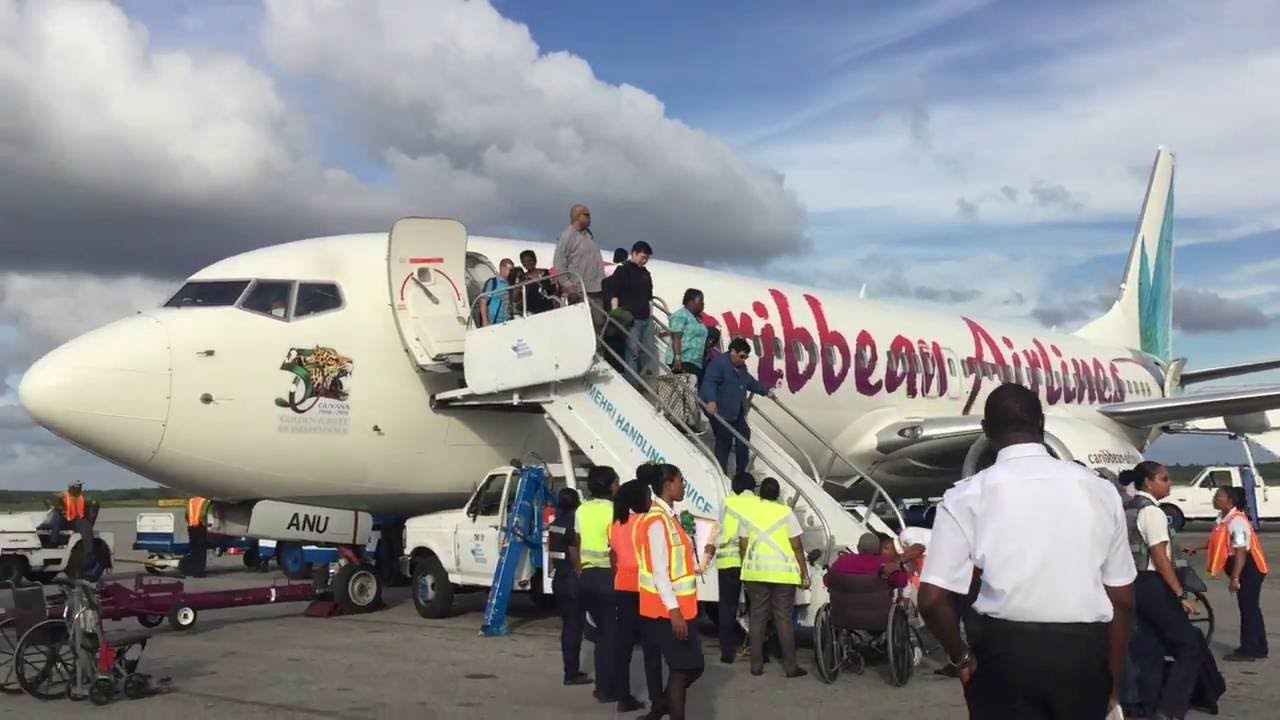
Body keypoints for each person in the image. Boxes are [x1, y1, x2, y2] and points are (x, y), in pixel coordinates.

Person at [918, 384, 1137, 720]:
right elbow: (1122, 599)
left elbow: (932, 599)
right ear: (1042, 423)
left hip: (1005, 656)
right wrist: (1112, 681)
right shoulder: (1101, 492)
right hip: (1082, 657)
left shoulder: (965, 496)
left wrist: (961, 657)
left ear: (986, 431)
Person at [1125, 460, 1203, 720]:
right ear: (1149, 482)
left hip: (1132, 583)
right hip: (1152, 583)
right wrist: (1180, 594)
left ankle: (1148, 707)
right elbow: (1160, 556)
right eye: (1165, 478)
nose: (1169, 483)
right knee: (1189, 646)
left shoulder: (1127, 510)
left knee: (1150, 649)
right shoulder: (1152, 513)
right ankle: (1170, 709)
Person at [637, 463, 703, 720]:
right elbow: (659, 571)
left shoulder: (670, 519)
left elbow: (680, 564)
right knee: (684, 669)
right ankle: (665, 709)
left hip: (681, 609)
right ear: (667, 485)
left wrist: (705, 555)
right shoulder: (656, 521)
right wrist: (674, 611)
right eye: (681, 481)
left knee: (689, 667)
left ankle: (661, 708)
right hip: (666, 612)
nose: (683, 486)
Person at [739, 477, 809, 678]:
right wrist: (804, 571)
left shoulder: (748, 513)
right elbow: (796, 545)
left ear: (760, 493)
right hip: (783, 575)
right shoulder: (786, 513)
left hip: (756, 573)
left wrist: (746, 566)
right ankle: (790, 666)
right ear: (777, 494)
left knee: (757, 618)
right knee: (783, 619)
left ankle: (756, 665)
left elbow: (743, 544)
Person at [610, 473, 661, 713]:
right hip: (645, 587)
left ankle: (623, 696)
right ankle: (657, 699)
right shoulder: (644, 522)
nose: (651, 500)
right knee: (652, 646)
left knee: (623, 645)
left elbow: (615, 556)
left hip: (623, 586)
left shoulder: (615, 525)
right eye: (648, 496)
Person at [1204, 486, 1269, 660]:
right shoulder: (1224, 519)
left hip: (1249, 567)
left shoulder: (1237, 521)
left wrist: (1235, 577)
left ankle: (1249, 650)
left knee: (1248, 608)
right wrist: (1197, 547)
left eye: (1219, 496)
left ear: (1230, 501)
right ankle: (1260, 647)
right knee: (1251, 607)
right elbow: (1221, 540)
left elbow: (1241, 550)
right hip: (1242, 566)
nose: (1215, 499)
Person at [575, 466, 621, 704]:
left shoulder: (582, 509)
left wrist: (580, 570)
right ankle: (609, 689)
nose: (618, 486)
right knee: (611, 636)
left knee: (600, 635)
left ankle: (602, 685)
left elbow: (577, 540)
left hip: (587, 577)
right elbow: (616, 548)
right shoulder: (614, 511)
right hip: (607, 577)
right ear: (609, 485)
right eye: (616, 482)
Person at [700, 337, 775, 474]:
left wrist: (765, 391)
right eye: (741, 356)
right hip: (721, 411)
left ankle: (742, 473)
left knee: (744, 435)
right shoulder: (719, 364)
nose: (743, 360)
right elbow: (709, 382)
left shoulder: (741, 367)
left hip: (736, 412)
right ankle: (720, 472)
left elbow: (749, 381)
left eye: (745, 357)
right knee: (724, 440)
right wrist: (711, 400)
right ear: (732, 351)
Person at [713, 472, 758, 663]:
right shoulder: (758, 504)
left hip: (727, 561)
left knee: (727, 607)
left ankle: (726, 651)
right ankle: (757, 649)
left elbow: (719, 527)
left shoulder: (726, 502)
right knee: (756, 608)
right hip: (752, 562)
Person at [549, 487, 592, 687]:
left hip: (559, 578)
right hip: (572, 581)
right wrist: (580, 572)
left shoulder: (554, 525)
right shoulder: (572, 526)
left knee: (568, 627)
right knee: (575, 629)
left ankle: (570, 669)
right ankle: (572, 674)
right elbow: (574, 550)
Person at [610, 241, 655, 376]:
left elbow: (649, 298)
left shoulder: (646, 274)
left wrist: (651, 316)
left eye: (646, 258)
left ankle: (635, 377)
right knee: (633, 352)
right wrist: (616, 313)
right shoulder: (623, 271)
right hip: (631, 319)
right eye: (642, 257)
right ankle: (632, 382)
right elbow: (614, 293)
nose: (644, 260)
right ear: (634, 254)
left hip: (646, 318)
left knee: (646, 353)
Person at [553, 204, 605, 311]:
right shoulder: (567, 236)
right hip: (579, 290)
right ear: (577, 216)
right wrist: (568, 286)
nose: (590, 218)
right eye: (586, 215)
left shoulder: (589, 236)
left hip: (597, 289)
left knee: (599, 323)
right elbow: (559, 263)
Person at [827, 532, 910, 588]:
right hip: (878, 612)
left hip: (841, 612)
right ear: (878, 549)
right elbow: (902, 582)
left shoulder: (843, 561)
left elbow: (827, 580)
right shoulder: (884, 564)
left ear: (858, 548)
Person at [666, 289, 709, 387]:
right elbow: (676, 338)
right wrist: (677, 359)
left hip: (696, 361)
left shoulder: (697, 318)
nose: (703, 304)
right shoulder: (681, 315)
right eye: (700, 301)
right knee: (684, 392)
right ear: (691, 301)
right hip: (684, 359)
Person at [519, 249, 557, 314]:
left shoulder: (545, 272)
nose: (527, 263)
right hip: (530, 310)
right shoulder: (521, 278)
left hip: (547, 306)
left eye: (530, 260)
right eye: (524, 261)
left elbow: (553, 288)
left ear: (535, 260)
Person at [478, 258, 514, 326]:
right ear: (502, 268)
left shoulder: (511, 283)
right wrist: (485, 321)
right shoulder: (492, 282)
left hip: (507, 321)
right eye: (510, 270)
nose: (512, 272)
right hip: (494, 321)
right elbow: (483, 302)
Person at [183, 496, 211, 578]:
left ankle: (192, 570)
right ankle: (199, 572)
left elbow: (186, 515)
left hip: (191, 527)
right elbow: (203, 514)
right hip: (200, 527)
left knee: (194, 550)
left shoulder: (191, 500)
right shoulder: (204, 500)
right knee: (201, 551)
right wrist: (205, 524)